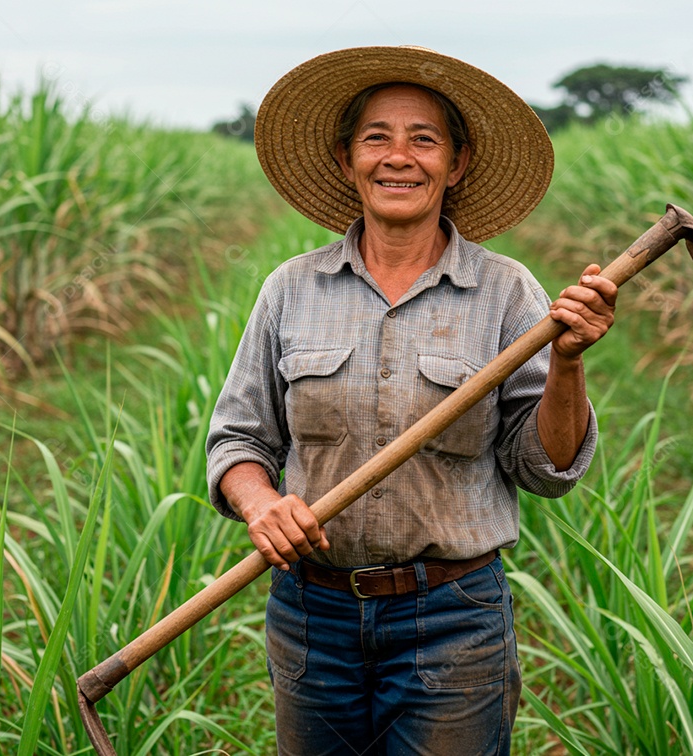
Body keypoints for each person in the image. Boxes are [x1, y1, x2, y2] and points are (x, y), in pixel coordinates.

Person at [206, 46, 616, 756]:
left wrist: (568, 365)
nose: (400, 157)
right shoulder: (290, 289)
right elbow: (239, 439)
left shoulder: (506, 292)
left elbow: (545, 469)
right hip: (312, 618)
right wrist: (262, 505)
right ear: (346, 161)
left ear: (455, 165)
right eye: (378, 138)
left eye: (424, 139)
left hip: (453, 620)